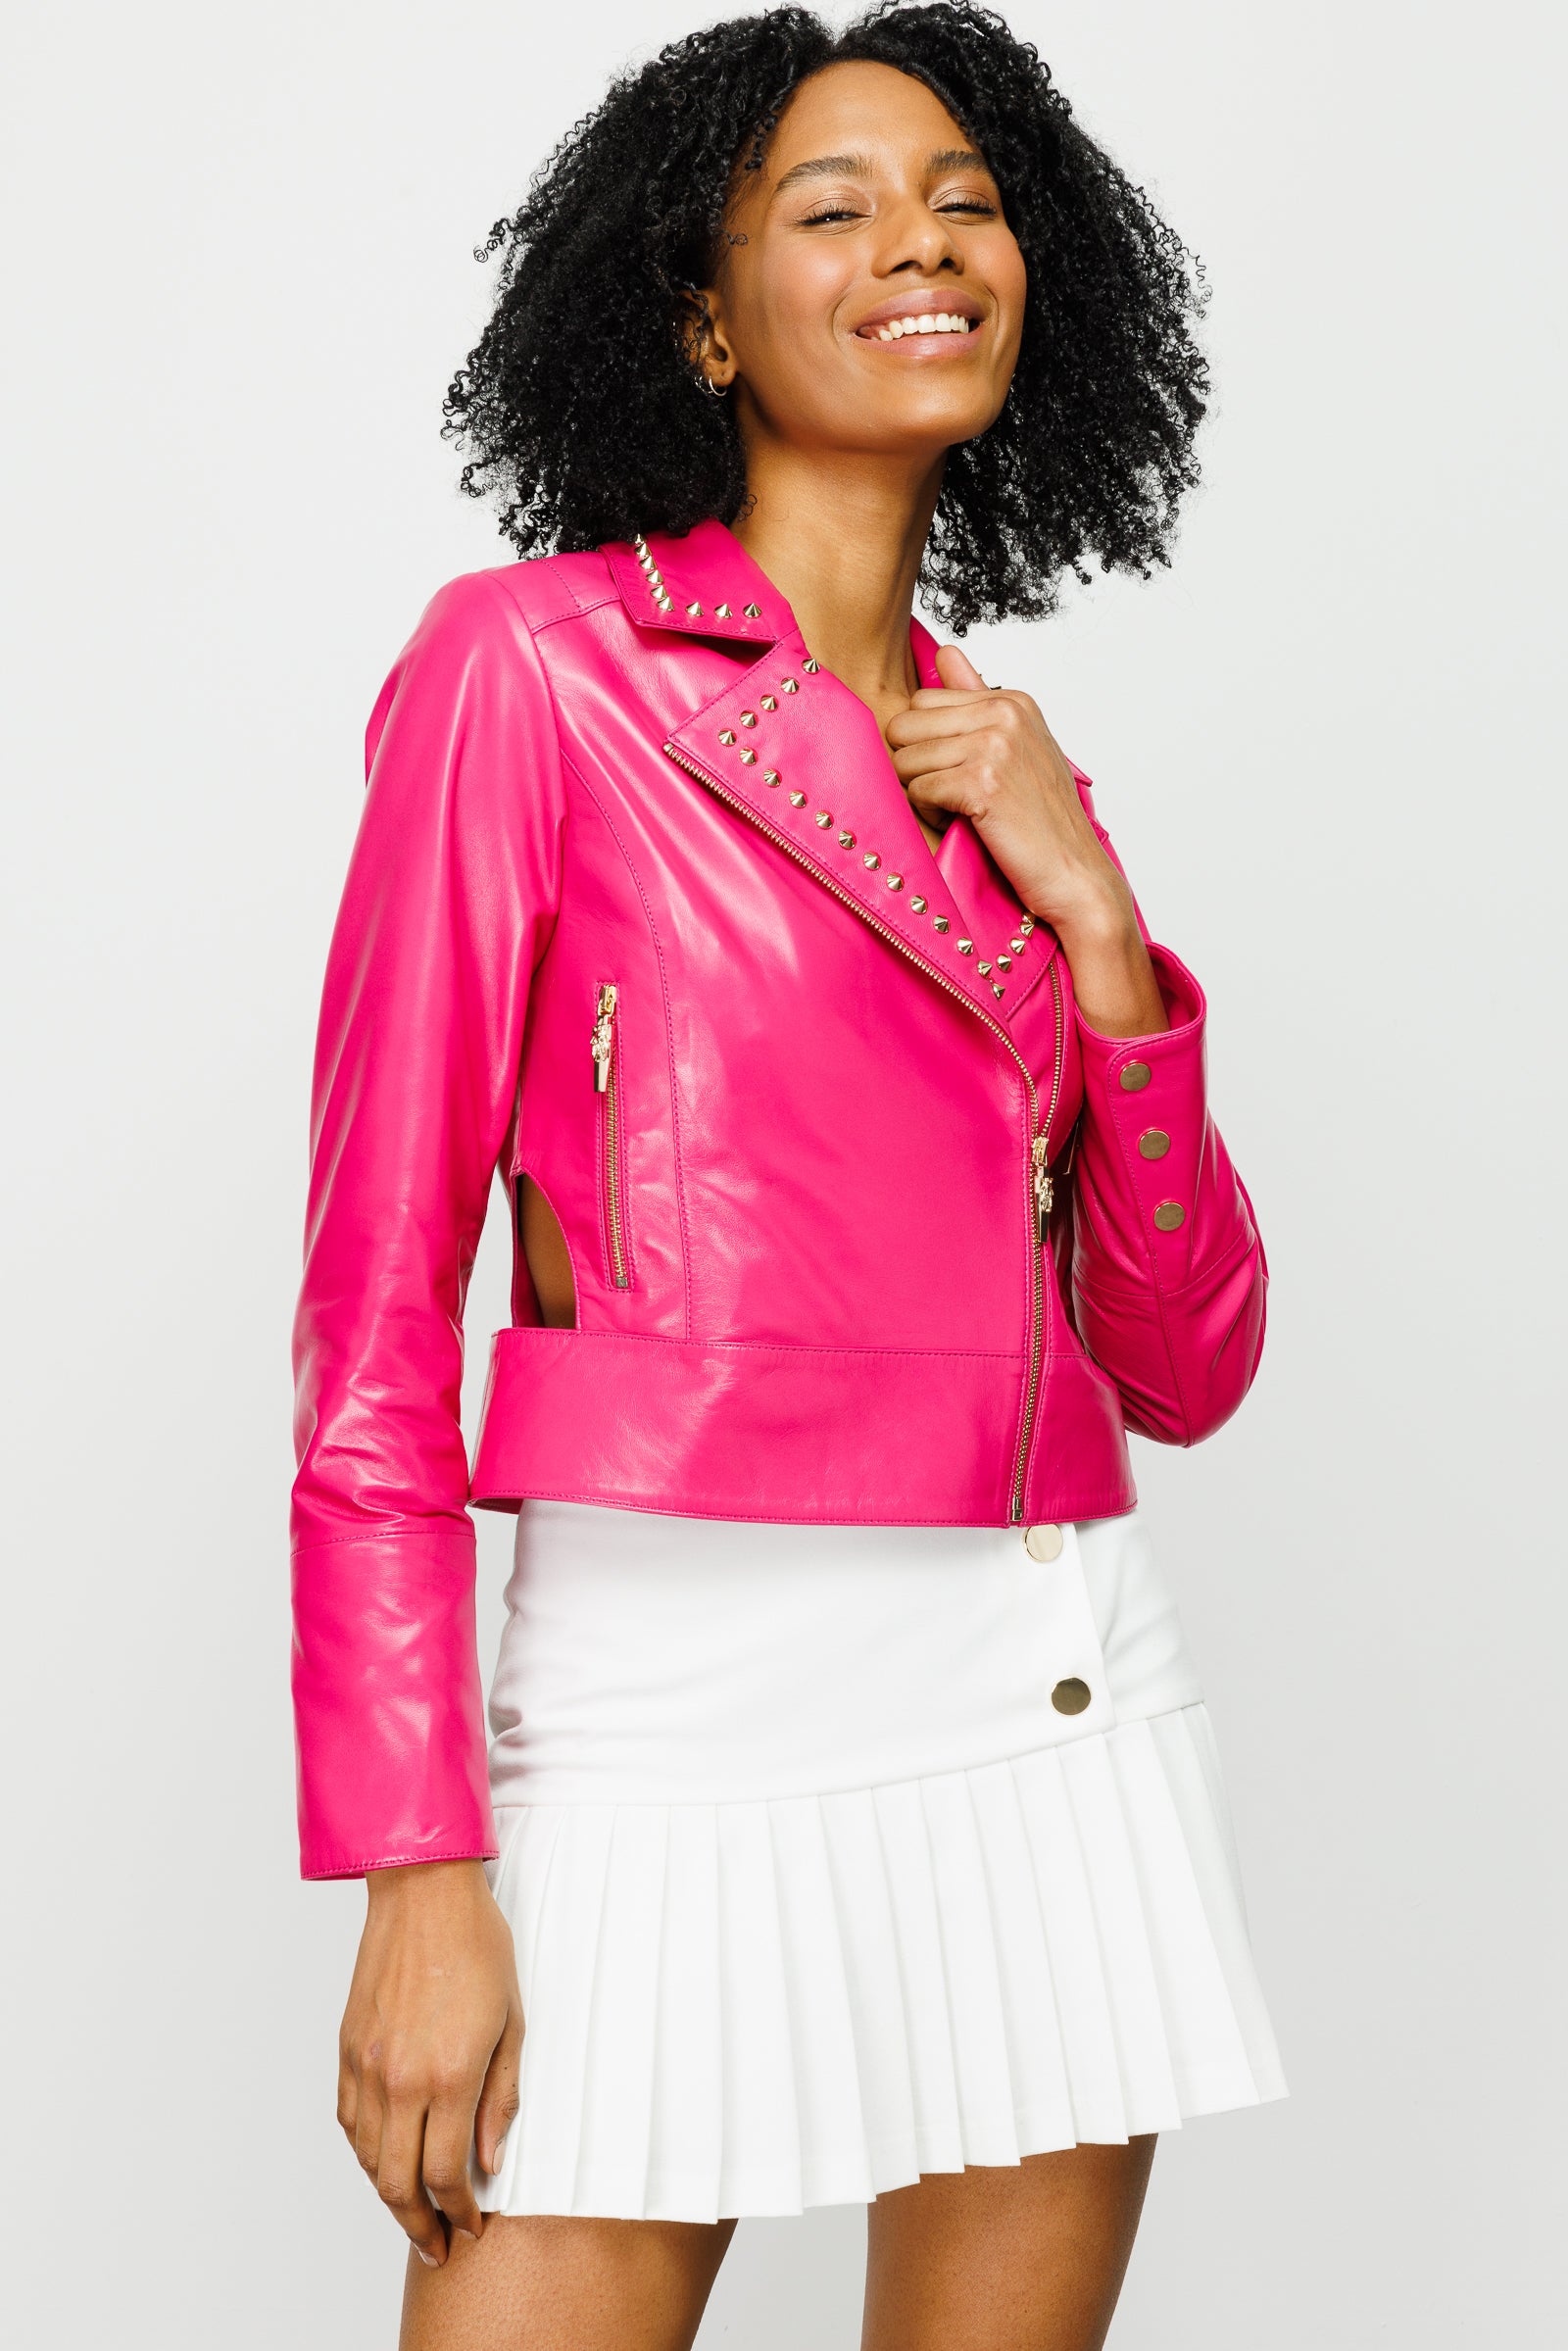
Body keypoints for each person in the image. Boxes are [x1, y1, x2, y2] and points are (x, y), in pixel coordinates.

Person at [290, 7, 1286, 2344]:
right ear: (703, 320)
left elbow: (1177, 1365)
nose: (918, 244)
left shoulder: (1005, 775)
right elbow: (369, 1318)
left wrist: (1098, 930)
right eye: (831, 209)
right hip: (664, 1697)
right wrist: (415, 1862)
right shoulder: (528, 674)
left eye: (961, 201)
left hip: (1037, 1686)